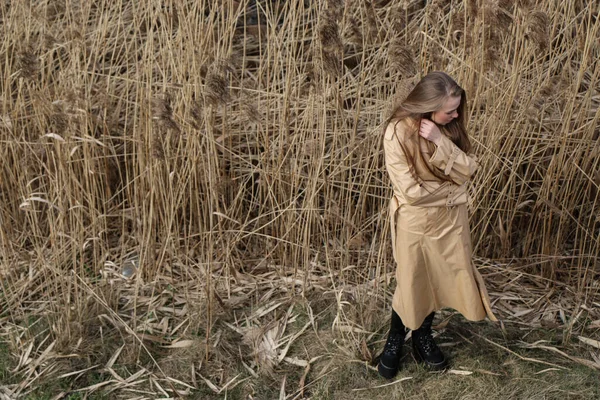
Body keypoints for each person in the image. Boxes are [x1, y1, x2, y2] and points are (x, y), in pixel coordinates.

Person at [378, 71, 497, 379]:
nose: (456, 114)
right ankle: (395, 339)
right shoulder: (396, 133)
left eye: (457, 108)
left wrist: (439, 140)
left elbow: (468, 169)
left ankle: (422, 338)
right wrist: (454, 192)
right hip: (415, 223)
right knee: (412, 279)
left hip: (449, 222)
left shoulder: (445, 129)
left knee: (440, 278)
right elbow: (411, 193)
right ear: (428, 105)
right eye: (450, 110)